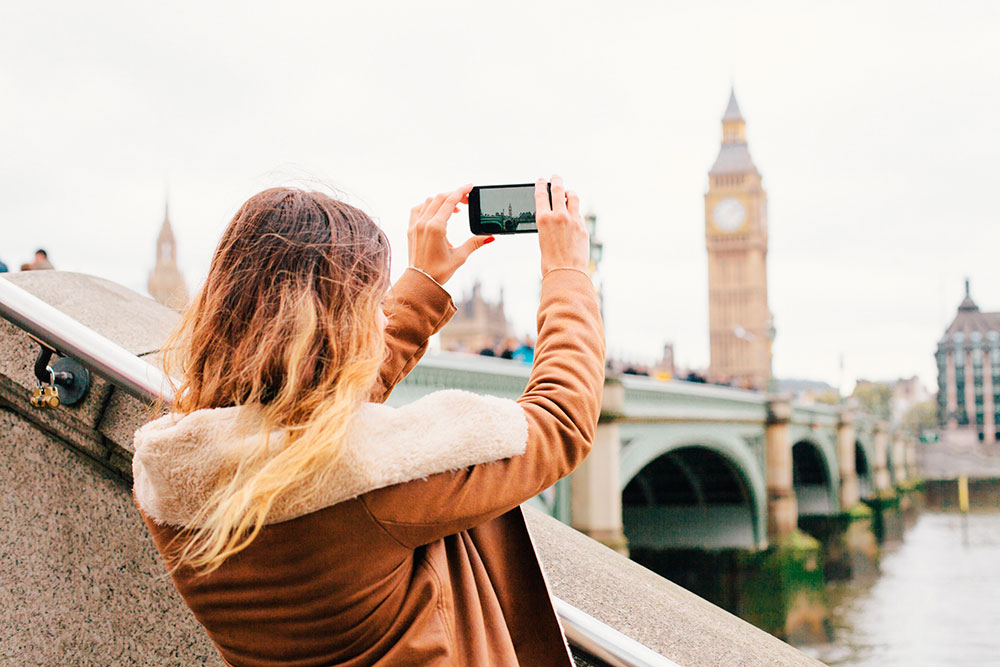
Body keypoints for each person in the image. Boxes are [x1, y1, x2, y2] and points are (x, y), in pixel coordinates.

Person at [132, 176, 604, 666]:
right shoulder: (372, 487)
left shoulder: (172, 486)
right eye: (371, 305)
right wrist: (567, 272)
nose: (381, 321)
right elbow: (559, 420)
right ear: (336, 328)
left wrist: (424, 283)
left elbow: (314, 414)